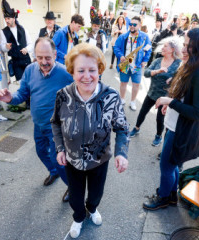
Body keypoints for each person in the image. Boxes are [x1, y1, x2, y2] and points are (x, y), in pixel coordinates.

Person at [51, 43, 129, 239]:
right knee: (75, 197)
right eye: (81, 70)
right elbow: (55, 124)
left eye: (92, 70)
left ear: (100, 70)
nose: (87, 76)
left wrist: (121, 153)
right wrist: (60, 149)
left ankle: (92, 209)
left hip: (99, 160)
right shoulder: (63, 95)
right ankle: (78, 217)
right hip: (72, 159)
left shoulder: (111, 96)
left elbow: (121, 128)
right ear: (72, 72)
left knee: (95, 194)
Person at [142, 28, 199, 210]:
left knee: (166, 166)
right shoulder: (193, 66)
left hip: (181, 130)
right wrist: (172, 102)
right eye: (184, 44)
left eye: (188, 45)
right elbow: (185, 96)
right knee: (172, 164)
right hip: (175, 126)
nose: (183, 49)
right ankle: (171, 195)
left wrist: (170, 101)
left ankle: (164, 197)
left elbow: (198, 112)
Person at [0, 38, 72, 201]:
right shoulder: (30, 70)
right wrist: (10, 98)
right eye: (39, 57)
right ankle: (54, 173)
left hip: (57, 129)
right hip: (38, 125)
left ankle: (72, 187)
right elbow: (22, 94)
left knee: (58, 160)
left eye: (48, 58)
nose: (43, 62)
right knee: (41, 152)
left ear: (55, 55)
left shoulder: (65, 74)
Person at [129, 38, 182, 147]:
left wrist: (172, 79)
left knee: (160, 118)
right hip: (152, 92)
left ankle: (158, 136)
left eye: (165, 46)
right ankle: (136, 128)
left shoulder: (178, 63)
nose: (162, 48)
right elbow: (146, 73)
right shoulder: (157, 61)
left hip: (165, 96)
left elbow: (181, 78)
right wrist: (158, 70)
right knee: (143, 111)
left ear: (172, 49)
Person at [114, 16, 152, 111]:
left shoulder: (144, 37)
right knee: (123, 83)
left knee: (136, 84)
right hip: (125, 64)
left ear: (139, 25)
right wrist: (120, 55)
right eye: (130, 24)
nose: (131, 26)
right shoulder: (123, 36)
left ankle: (133, 101)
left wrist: (145, 60)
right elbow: (116, 47)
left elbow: (149, 49)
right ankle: (122, 99)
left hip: (137, 65)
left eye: (134, 24)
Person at [0, 0, 33, 82]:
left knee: (31, 82)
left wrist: (26, 49)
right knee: (22, 84)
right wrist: (6, 47)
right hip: (16, 62)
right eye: (5, 19)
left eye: (8, 18)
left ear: (13, 18)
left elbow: (30, 44)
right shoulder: (3, 32)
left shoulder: (23, 29)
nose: (6, 20)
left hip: (26, 60)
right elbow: (2, 47)